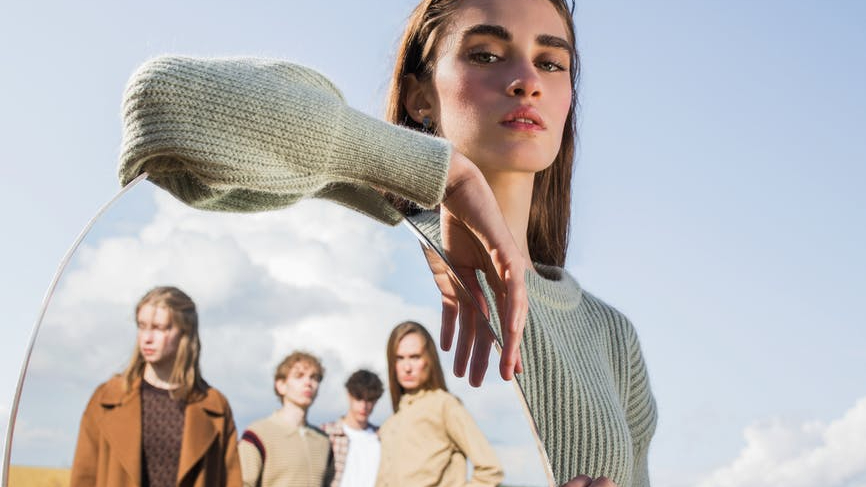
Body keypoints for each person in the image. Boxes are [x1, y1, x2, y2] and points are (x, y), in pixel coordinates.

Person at [117, 0, 658, 484]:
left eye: (551, 62)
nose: (525, 80)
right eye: (487, 55)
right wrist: (443, 176)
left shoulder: (612, 336)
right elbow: (160, 104)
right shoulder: (378, 240)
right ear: (421, 96)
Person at [70, 286, 241, 487]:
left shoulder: (214, 407)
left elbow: (230, 481)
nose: (147, 338)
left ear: (185, 333)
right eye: (142, 326)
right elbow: (83, 477)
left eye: (159, 328)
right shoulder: (107, 398)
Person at [377, 321, 503, 486]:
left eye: (415, 357)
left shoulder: (445, 405)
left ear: (429, 359)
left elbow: (490, 470)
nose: (407, 367)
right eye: (400, 358)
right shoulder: (389, 424)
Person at [239, 351, 334, 487]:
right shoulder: (257, 434)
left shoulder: (323, 441)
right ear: (281, 385)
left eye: (314, 377)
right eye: (299, 376)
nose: (308, 382)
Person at [321, 369, 385, 487]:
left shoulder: (383, 438)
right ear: (349, 395)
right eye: (359, 398)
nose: (364, 406)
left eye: (369, 400)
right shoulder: (327, 433)